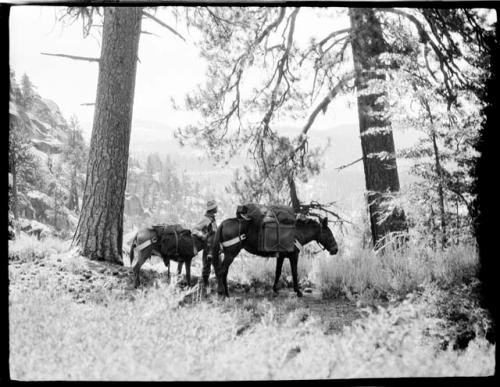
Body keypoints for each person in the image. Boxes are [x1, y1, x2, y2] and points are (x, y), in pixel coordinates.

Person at [193, 200, 218, 287]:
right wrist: (202, 235)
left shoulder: (212, 219)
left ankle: (216, 284)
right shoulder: (205, 219)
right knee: (207, 266)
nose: (217, 208)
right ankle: (205, 285)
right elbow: (194, 230)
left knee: (218, 265)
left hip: (214, 246)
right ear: (213, 209)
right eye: (216, 207)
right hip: (208, 246)